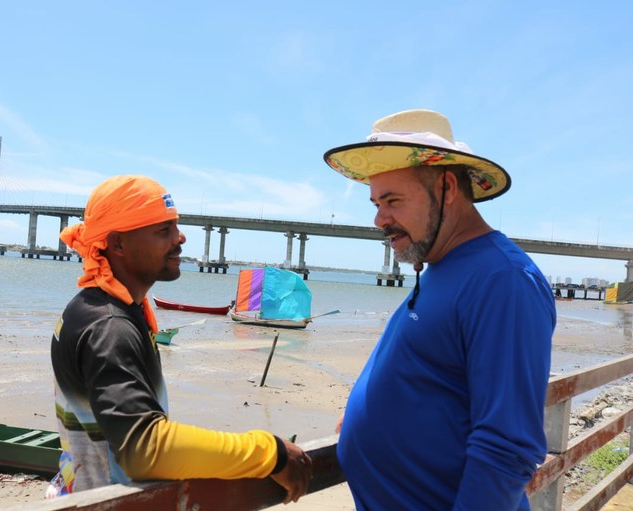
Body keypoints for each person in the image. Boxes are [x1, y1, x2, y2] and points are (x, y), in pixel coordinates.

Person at [323, 109, 555, 510]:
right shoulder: (440, 267)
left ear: (447, 187)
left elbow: (507, 447)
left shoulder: (503, 280)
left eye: (393, 200)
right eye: (376, 203)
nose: (380, 219)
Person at [50, 175, 312, 502]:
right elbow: (145, 449)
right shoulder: (109, 326)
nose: (180, 237)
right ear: (117, 244)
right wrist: (270, 453)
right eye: (164, 231)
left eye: (176, 226)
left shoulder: (94, 307)